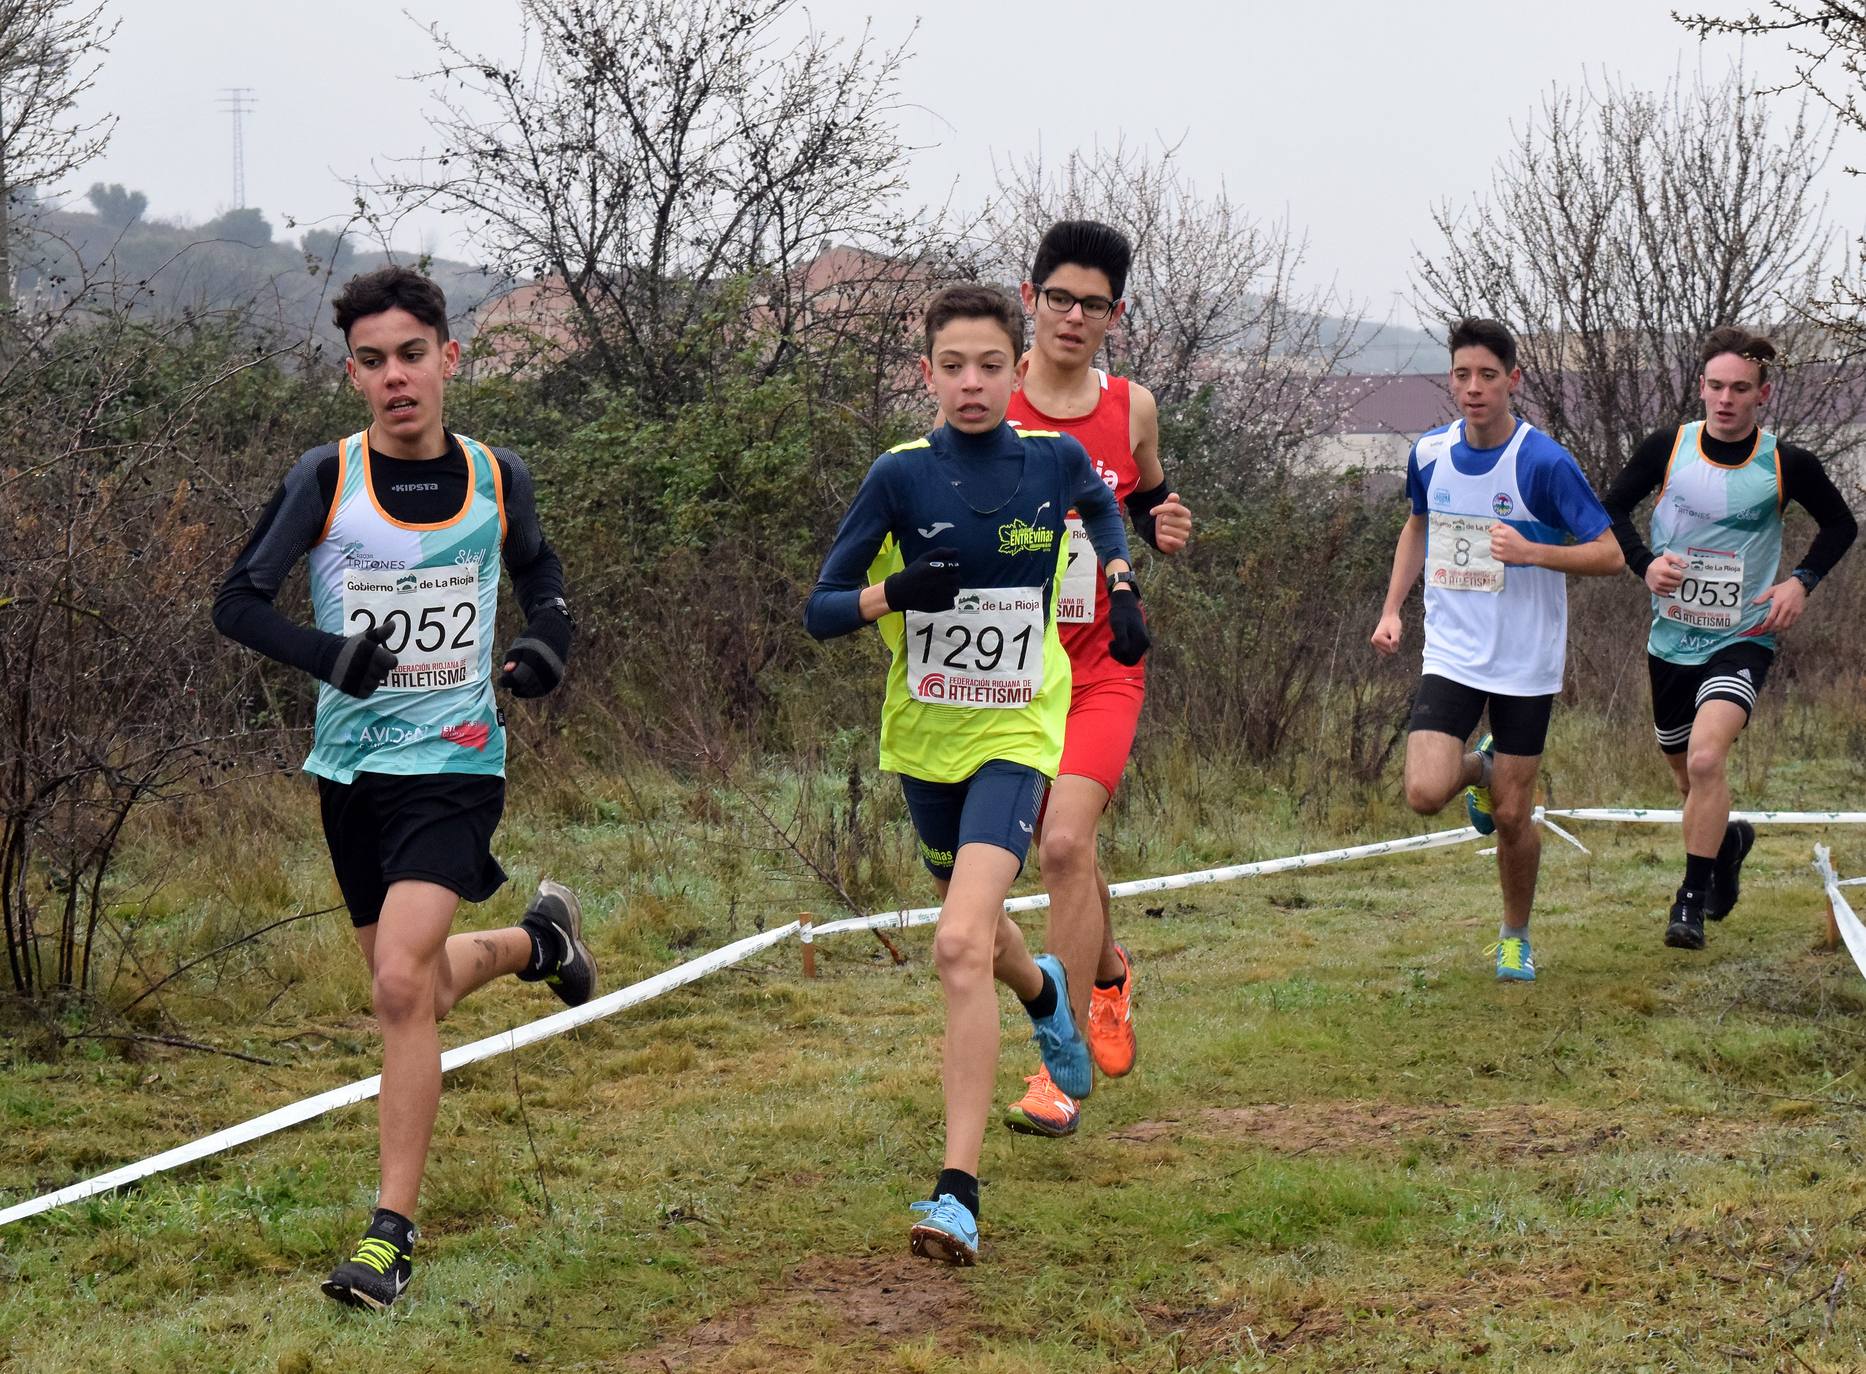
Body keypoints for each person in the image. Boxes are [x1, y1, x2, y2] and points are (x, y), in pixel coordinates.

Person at [212, 265, 593, 1310]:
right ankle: (537, 943)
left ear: (448, 358)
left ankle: (390, 1238)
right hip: (351, 771)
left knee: (394, 990)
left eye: (412, 356)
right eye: (373, 362)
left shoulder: (495, 473)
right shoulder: (324, 479)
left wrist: (543, 648)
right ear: (353, 376)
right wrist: (328, 657)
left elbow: (543, 576)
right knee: (410, 987)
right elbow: (236, 605)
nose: (396, 378)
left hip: (459, 762)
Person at [804, 283, 1149, 1264]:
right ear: (927, 374)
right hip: (925, 745)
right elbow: (820, 608)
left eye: (989, 365)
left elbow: (1099, 507)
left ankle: (957, 1195)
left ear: (1017, 369)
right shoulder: (900, 477)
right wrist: (890, 594)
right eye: (950, 366)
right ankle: (1046, 994)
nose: (970, 382)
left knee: (957, 944)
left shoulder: (1053, 459)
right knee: (983, 933)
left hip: (1018, 733)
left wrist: (1119, 586)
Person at [1000, 221, 1192, 1138]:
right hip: (1011, 671)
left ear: (1117, 315)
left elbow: (1147, 495)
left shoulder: (1134, 406)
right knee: (1064, 853)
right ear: (1029, 297)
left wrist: (1162, 525)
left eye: (1096, 305)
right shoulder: (989, 403)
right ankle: (1108, 971)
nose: (1076, 318)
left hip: (1104, 664)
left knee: (1066, 849)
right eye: (1061, 299)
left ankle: (1056, 1068)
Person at [1371, 317, 1623, 982]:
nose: (1474, 388)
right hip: (1452, 650)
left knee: (1514, 816)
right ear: (1451, 380)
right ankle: (1477, 769)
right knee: (1424, 790)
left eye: (1488, 375)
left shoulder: (1543, 462)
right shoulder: (1429, 453)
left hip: (1524, 661)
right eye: (1462, 375)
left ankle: (1515, 935)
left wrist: (1536, 550)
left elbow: (1611, 553)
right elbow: (1417, 527)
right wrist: (1393, 608)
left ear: (1513, 380)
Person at [1601, 326, 1857, 950]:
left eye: (1740, 389)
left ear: (1762, 395)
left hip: (1743, 636)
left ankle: (1688, 902)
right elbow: (1607, 508)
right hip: (1671, 640)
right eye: (1716, 386)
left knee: (1708, 758)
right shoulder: (1668, 447)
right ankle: (1730, 841)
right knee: (1690, 781)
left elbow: (1840, 525)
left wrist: (1799, 582)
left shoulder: (1786, 463)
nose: (1726, 399)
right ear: (1702, 388)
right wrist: (1643, 563)